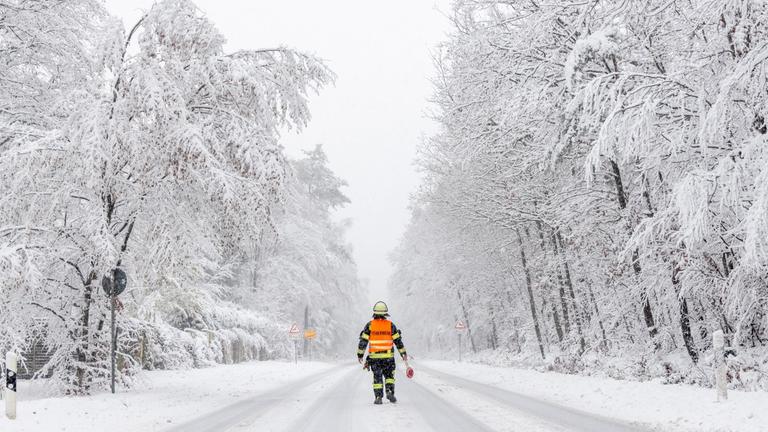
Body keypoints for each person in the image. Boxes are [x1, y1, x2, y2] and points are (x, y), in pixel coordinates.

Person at [357, 301, 408, 405]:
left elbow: (363, 341)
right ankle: (389, 391)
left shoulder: (370, 326)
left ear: (374, 313)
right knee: (389, 376)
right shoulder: (390, 325)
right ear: (385, 313)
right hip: (388, 358)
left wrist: (360, 355)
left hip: (375, 358)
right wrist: (403, 353)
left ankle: (378, 397)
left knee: (377, 377)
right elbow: (398, 341)